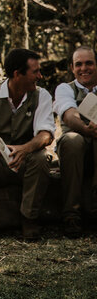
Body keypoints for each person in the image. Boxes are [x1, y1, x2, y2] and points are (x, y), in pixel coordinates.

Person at [0, 48, 55, 240]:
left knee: (41, 157)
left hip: (26, 163)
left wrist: (24, 149)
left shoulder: (42, 95)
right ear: (17, 74)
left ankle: (28, 219)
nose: (40, 76)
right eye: (35, 72)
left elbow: (46, 134)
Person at [54, 45, 97, 237]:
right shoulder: (65, 88)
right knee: (72, 140)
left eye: (89, 63)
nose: (84, 68)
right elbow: (69, 116)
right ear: (72, 68)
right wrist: (88, 130)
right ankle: (71, 214)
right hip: (75, 149)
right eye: (78, 64)